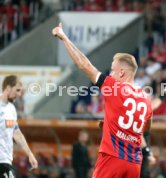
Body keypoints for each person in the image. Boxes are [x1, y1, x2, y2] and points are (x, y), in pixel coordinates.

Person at [53, 23, 153, 178]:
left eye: (112, 70)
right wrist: (113, 124)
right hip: (134, 164)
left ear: (121, 72)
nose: (110, 74)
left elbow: (84, 65)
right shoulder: (146, 99)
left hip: (112, 158)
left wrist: (64, 38)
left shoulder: (114, 87)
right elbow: (144, 129)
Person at [0, 75, 38, 178]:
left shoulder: (11, 109)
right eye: (17, 90)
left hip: (5, 161)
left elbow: (16, 133)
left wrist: (30, 154)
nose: (19, 94)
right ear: (8, 88)